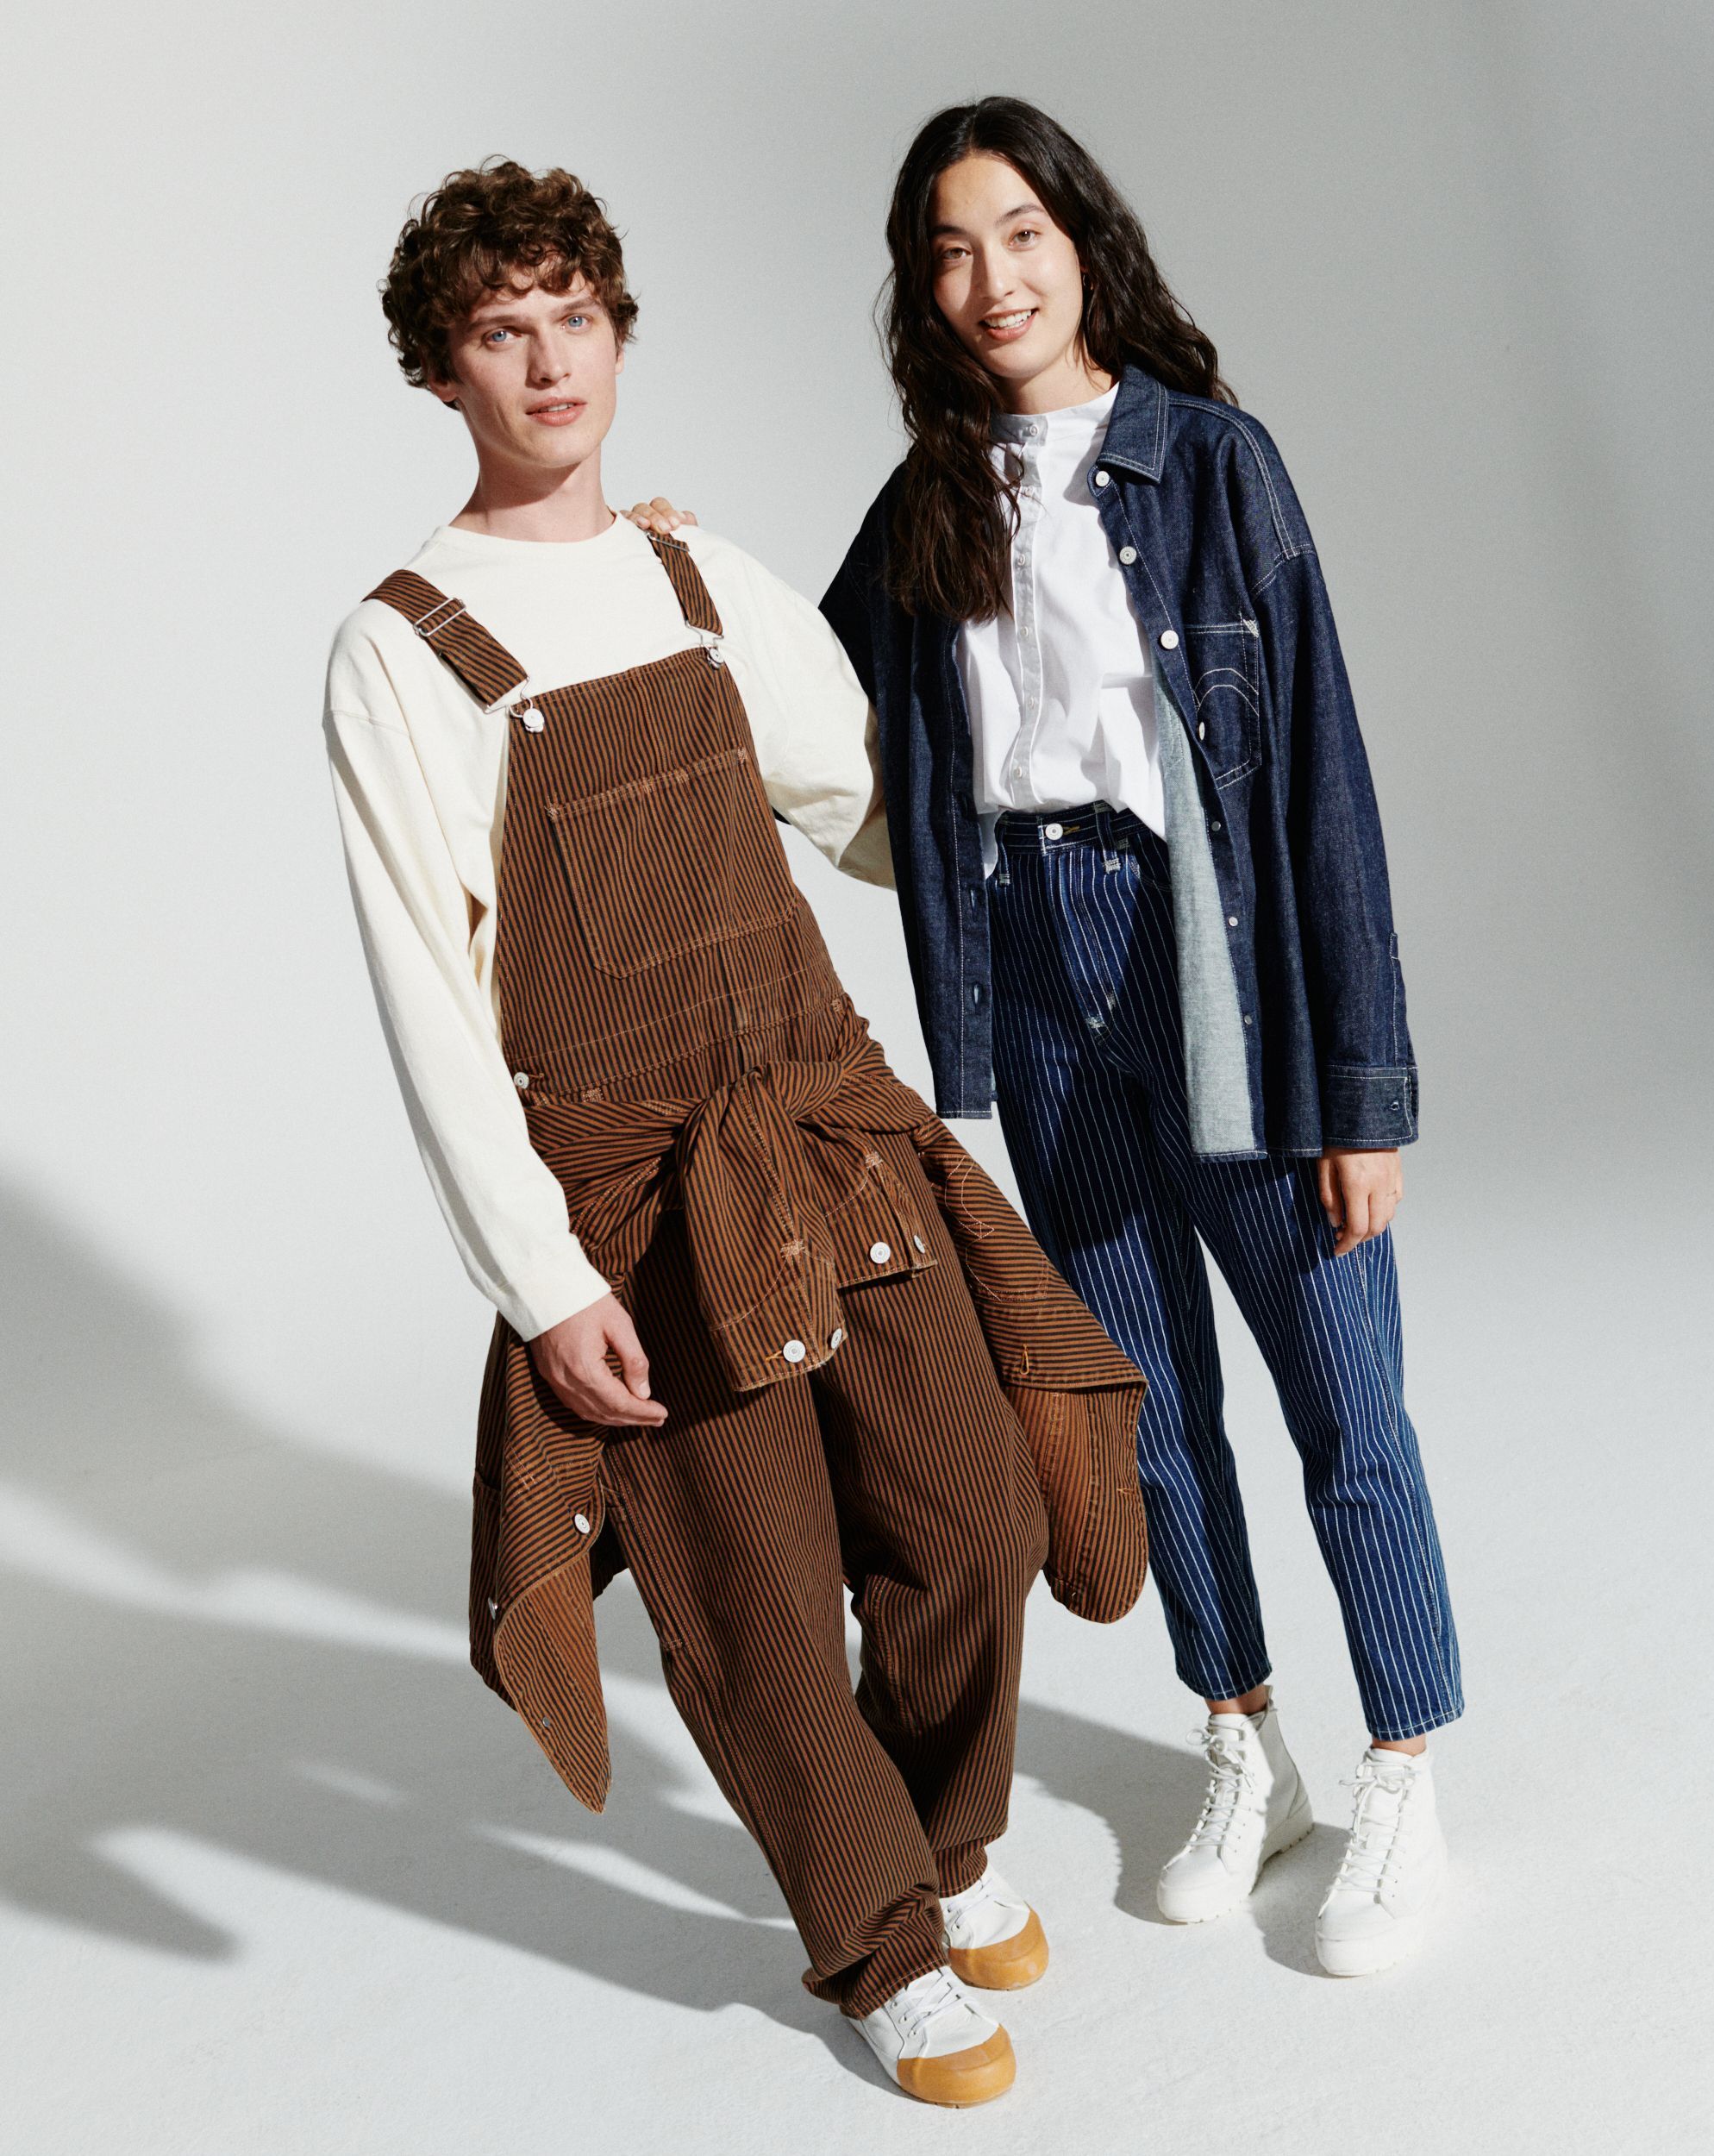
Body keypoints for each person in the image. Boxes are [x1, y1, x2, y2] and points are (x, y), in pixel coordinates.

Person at [322, 158, 1149, 2107]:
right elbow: (427, 1002)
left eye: (574, 318)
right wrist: (543, 1284)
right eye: (500, 333)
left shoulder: (695, 578)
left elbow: (873, 812)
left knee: (970, 1511)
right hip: (634, 1195)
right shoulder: (402, 645)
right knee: (757, 1598)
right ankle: (879, 1944)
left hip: (831, 1126)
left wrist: (1079, 802)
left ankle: (942, 1838)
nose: (549, 363)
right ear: (441, 374)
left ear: (618, 332)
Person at [635, 93, 1460, 1977]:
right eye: (949, 250)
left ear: (1083, 242)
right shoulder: (930, 502)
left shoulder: (1213, 464)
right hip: (1033, 960)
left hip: (1216, 962)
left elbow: (1322, 783)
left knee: (1342, 1394)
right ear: (920, 290)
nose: (990, 277)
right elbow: (803, 696)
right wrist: (684, 573)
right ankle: (1245, 1742)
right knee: (1140, 1403)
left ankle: (1404, 1768)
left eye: (1018, 232)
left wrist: (1365, 1090)